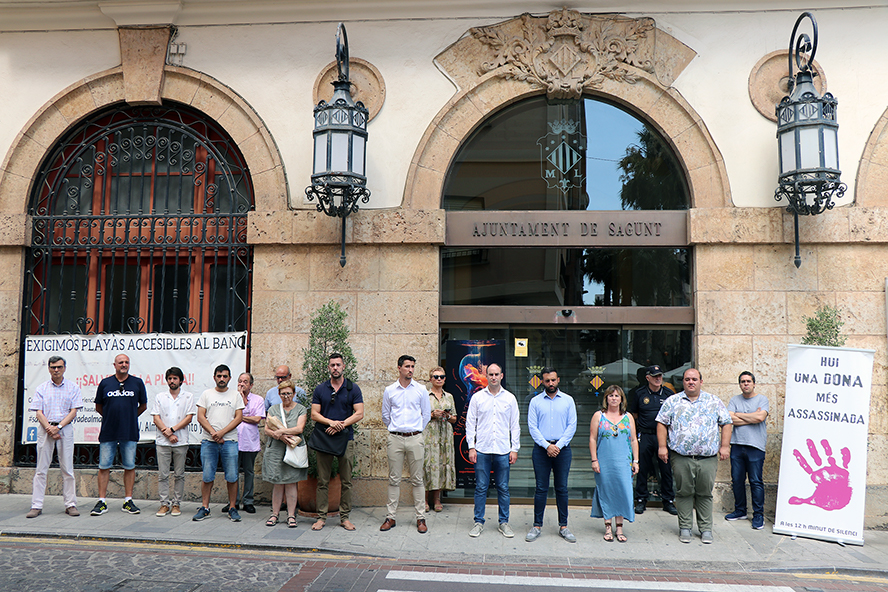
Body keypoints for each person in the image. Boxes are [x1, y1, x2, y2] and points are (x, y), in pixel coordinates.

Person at [657, 368, 732, 544]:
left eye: (694, 379)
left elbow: (726, 422)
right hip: (681, 456)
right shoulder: (672, 401)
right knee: (684, 492)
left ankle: (705, 529)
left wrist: (725, 446)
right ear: (683, 382)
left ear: (701, 381)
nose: (691, 382)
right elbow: (661, 423)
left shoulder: (713, 401)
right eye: (687, 379)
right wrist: (662, 447)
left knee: (705, 493)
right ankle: (685, 527)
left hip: (707, 458)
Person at [465, 363, 520, 539]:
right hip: (482, 449)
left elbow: (515, 426)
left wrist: (515, 449)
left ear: (502, 376)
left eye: (497, 374)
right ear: (486, 376)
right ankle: (478, 522)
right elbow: (470, 423)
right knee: (481, 487)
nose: (494, 377)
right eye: (491, 374)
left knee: (503, 487)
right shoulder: (477, 398)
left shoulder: (510, 398)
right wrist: (471, 446)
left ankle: (504, 522)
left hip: (503, 450)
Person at [310, 353, 364, 531]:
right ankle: (321, 517)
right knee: (322, 481)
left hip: (345, 439)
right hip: (324, 437)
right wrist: (330, 422)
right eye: (332, 365)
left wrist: (340, 425)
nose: (335, 368)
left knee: (346, 480)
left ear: (343, 367)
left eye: (338, 365)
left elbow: (359, 413)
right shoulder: (321, 389)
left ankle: (345, 517)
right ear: (328, 368)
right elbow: (314, 414)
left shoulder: (352, 388)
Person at [91, 353, 148, 517]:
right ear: (114, 365)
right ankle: (102, 501)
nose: (124, 364)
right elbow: (98, 406)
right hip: (108, 431)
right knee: (104, 466)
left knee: (129, 466)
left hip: (129, 431)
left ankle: (128, 500)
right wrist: (112, 417)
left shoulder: (137, 383)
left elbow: (143, 405)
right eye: (120, 362)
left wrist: (129, 417)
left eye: (126, 362)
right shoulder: (105, 383)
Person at [525, 367, 577, 543]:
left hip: (563, 449)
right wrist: (547, 446)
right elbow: (532, 427)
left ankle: (564, 526)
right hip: (541, 449)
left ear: (558, 380)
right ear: (542, 381)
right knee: (541, 488)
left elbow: (572, 426)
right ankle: (537, 525)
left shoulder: (568, 401)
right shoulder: (535, 401)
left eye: (553, 380)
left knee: (562, 488)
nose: (551, 383)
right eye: (547, 380)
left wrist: (558, 446)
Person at [380, 355, 431, 534]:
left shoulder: (421, 390)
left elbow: (426, 414)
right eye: (407, 366)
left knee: (417, 479)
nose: (411, 370)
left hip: (415, 437)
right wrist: (396, 429)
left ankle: (420, 518)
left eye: (413, 367)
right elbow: (385, 415)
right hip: (395, 438)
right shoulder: (390, 390)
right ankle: (391, 516)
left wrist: (416, 431)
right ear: (399, 368)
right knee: (394, 479)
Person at [28, 356, 83, 518]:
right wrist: (49, 428)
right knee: (41, 469)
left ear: (64, 368)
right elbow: (38, 411)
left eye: (59, 367)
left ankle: (70, 504)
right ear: (49, 368)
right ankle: (36, 505)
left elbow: (73, 411)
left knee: (67, 469)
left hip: (64, 429)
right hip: (45, 428)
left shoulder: (73, 387)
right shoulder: (42, 388)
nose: (56, 370)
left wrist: (58, 427)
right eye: (53, 367)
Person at [194, 364, 244, 522]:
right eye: (219, 376)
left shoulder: (235, 395)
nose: (222, 379)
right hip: (209, 442)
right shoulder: (206, 394)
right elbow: (201, 416)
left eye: (225, 376)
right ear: (214, 377)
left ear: (229, 378)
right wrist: (213, 434)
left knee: (232, 476)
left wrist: (222, 433)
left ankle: (232, 507)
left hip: (229, 441)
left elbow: (238, 417)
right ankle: (205, 507)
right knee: (207, 475)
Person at [590, 385, 639, 543]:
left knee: (623, 492)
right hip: (604, 461)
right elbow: (592, 438)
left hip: (623, 461)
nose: (614, 398)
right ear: (606, 398)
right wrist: (594, 460)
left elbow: (633, 440)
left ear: (621, 399)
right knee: (606, 491)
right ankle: (607, 527)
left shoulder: (628, 417)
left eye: (617, 396)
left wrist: (636, 461)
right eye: (610, 396)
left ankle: (619, 528)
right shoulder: (599, 416)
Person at [630, 364, 677, 516]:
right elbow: (634, 414)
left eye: (660, 376)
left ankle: (668, 500)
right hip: (646, 435)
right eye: (655, 376)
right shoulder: (640, 393)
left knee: (665, 468)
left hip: (663, 437)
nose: (658, 379)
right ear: (648, 378)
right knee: (642, 468)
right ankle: (641, 499)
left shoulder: (669, 394)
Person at [726, 371, 769, 530]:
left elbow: (760, 418)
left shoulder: (762, 399)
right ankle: (740, 510)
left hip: (755, 446)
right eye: (743, 381)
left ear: (754, 383)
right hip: (737, 444)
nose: (746, 384)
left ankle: (758, 515)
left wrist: (739, 415)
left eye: (748, 381)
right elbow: (729, 418)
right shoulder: (734, 400)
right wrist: (751, 416)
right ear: (740, 384)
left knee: (756, 481)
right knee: (737, 480)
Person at [263, 379, 308, 529]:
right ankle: (274, 514)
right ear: (279, 394)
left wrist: (282, 432)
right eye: (283, 394)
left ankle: (291, 515)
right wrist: (277, 435)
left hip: (293, 450)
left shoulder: (301, 409)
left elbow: (299, 428)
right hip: (276, 449)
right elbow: (267, 429)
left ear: (294, 394)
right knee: (277, 482)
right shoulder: (274, 409)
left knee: (291, 482)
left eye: (289, 393)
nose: (286, 396)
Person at [151, 367, 195, 517]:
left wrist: (173, 430)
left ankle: (176, 503)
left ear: (181, 380)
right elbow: (156, 418)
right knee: (163, 474)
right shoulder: (160, 396)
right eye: (170, 378)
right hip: (163, 441)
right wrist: (168, 433)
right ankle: (164, 503)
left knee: (179, 474)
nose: (172, 381)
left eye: (175, 378)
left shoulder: (188, 396)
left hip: (181, 441)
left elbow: (189, 418)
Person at [226, 372, 265, 515]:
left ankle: (248, 501)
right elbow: (229, 417)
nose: (242, 384)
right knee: (233, 472)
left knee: (249, 471)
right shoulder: (231, 398)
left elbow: (256, 419)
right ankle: (233, 502)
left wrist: (241, 416)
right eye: (240, 381)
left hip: (250, 441)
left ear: (251, 385)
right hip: (234, 440)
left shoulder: (258, 399)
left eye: (245, 382)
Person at [423, 366, 457, 513]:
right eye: (436, 376)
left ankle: (437, 499)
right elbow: (417, 416)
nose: (439, 379)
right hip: (429, 435)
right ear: (430, 379)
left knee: (441, 464)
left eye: (442, 377)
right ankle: (424, 499)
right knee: (427, 464)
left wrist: (446, 415)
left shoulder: (449, 396)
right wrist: (431, 415)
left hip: (445, 436)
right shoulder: (424, 395)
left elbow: (455, 418)